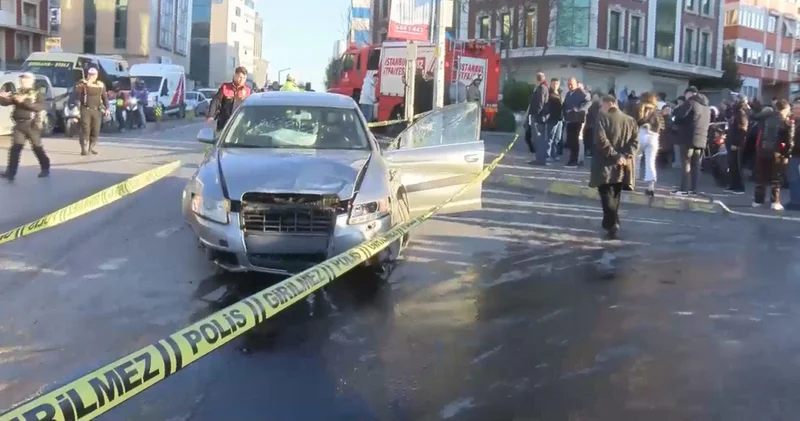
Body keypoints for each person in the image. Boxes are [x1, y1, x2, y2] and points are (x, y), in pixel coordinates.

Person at [589, 95, 639, 240]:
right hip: (622, 166)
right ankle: (613, 221)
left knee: (606, 194)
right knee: (616, 194)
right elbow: (635, 142)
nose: (601, 108)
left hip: (604, 163)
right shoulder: (630, 121)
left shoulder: (602, 119)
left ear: (610, 104)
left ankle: (611, 223)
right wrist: (625, 156)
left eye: (602, 105)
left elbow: (601, 141)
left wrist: (615, 155)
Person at [0, 72, 50, 181]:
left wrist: (24, 102)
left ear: (31, 81)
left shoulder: (37, 94)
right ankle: (10, 172)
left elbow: (40, 107)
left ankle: (45, 167)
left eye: (25, 79)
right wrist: (2, 97)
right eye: (21, 80)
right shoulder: (18, 92)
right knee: (15, 149)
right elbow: (7, 102)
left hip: (32, 124)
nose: (22, 81)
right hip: (19, 124)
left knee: (37, 147)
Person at [752, 99, 794, 210]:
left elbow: (755, 118)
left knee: (761, 177)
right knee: (776, 178)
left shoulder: (765, 118)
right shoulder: (785, 122)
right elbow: (789, 142)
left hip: (762, 150)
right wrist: (786, 154)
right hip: (776, 153)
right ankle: (775, 202)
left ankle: (758, 200)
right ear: (785, 109)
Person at [671, 86, 710, 196]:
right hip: (701, 139)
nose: (685, 97)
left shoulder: (690, 103)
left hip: (688, 138)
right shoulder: (707, 107)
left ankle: (684, 189)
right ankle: (693, 189)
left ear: (689, 93)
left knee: (686, 164)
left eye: (686, 95)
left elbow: (678, 114)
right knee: (696, 165)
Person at [207, 66, 253, 133]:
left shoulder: (248, 91)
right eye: (240, 77)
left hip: (241, 124)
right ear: (235, 75)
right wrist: (211, 115)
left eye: (244, 78)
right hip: (225, 122)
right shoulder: (225, 87)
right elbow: (215, 101)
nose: (242, 80)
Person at [76, 67, 110, 156]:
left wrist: (107, 108)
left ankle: (91, 147)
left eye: (93, 74)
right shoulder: (83, 83)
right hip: (85, 109)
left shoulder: (100, 85)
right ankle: (84, 148)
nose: (91, 76)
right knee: (85, 128)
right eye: (90, 74)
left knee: (96, 129)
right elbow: (77, 90)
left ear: (96, 75)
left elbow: (104, 97)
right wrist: (84, 84)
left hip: (97, 110)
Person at [635, 92, 663, 197]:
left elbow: (633, 122)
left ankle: (632, 181)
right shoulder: (656, 111)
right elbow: (660, 126)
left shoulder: (638, 108)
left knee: (635, 159)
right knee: (650, 162)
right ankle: (650, 186)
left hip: (639, 135)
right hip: (653, 137)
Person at [562, 77, 591, 167]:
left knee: (575, 140)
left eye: (572, 84)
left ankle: (575, 160)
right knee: (570, 140)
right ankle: (573, 159)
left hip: (578, 119)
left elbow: (588, 102)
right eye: (569, 84)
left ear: (576, 84)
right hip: (569, 120)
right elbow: (565, 105)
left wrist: (578, 109)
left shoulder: (580, 92)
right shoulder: (568, 94)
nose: (570, 86)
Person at [724, 98, 749, 194]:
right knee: (732, 165)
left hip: (736, 144)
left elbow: (742, 130)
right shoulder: (735, 114)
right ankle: (732, 185)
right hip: (731, 142)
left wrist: (736, 143)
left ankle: (739, 187)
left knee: (737, 166)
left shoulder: (741, 114)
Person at [526, 72, 549, 166]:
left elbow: (540, 103)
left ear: (537, 79)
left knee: (538, 139)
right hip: (540, 117)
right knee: (539, 139)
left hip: (538, 118)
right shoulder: (543, 87)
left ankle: (540, 160)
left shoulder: (541, 88)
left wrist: (535, 114)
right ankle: (539, 159)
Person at [787, 101, 800, 210]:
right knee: (793, 178)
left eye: (796, 109)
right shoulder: (795, 122)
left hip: (797, 154)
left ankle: (796, 202)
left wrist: (793, 147)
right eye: (794, 108)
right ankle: (794, 200)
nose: (794, 111)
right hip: (794, 154)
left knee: (795, 179)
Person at [546, 78, 563, 161]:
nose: (555, 85)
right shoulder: (549, 93)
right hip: (552, 118)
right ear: (550, 84)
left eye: (556, 84)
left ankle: (554, 154)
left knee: (557, 138)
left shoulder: (560, 93)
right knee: (550, 137)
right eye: (553, 84)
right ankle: (547, 155)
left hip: (560, 119)